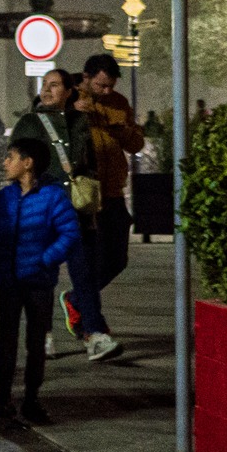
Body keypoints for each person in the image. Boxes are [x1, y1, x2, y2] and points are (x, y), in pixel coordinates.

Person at [11, 68, 118, 361]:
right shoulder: (29, 123)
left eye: (54, 85)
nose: (47, 90)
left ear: (69, 92)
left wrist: (91, 202)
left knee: (85, 276)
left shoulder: (80, 121)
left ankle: (95, 335)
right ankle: (42, 335)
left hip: (77, 214)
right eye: (45, 85)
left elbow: (90, 164)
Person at [0, 136, 81, 425]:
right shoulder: (5, 197)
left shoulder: (52, 197)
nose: (5, 162)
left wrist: (45, 259)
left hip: (38, 282)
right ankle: (2, 398)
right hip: (9, 281)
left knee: (36, 342)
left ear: (28, 163)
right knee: (6, 340)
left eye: (10, 157)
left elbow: (69, 234)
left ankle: (31, 399)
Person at [79, 53, 143, 300]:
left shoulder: (119, 102)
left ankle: (77, 299)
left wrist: (123, 131)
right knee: (89, 256)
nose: (106, 91)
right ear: (86, 78)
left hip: (113, 191)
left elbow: (137, 144)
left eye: (110, 86)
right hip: (85, 191)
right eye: (100, 85)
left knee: (117, 259)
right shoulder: (72, 100)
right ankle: (85, 311)